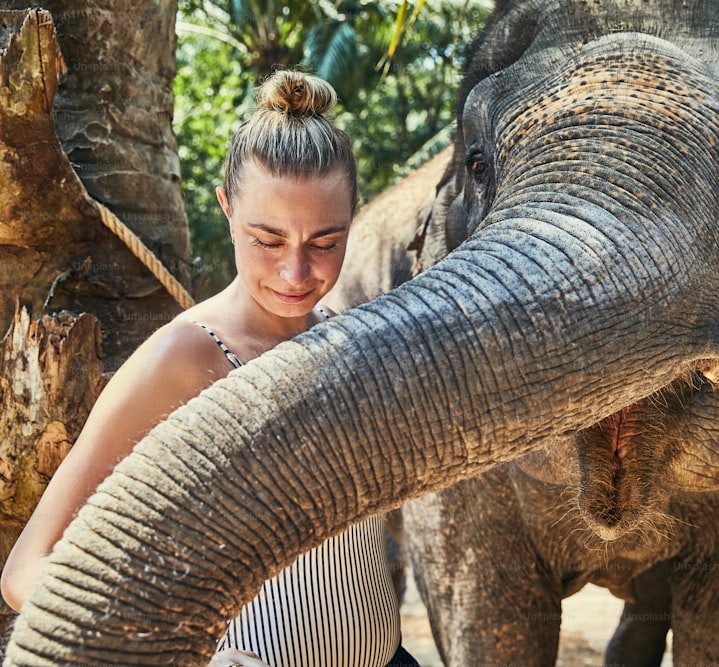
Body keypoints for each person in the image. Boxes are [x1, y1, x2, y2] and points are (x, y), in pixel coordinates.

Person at [1, 70, 418, 667]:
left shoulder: (347, 331)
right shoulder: (180, 360)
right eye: (267, 240)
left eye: (325, 242)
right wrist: (173, 646)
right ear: (226, 209)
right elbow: (25, 572)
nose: (295, 274)